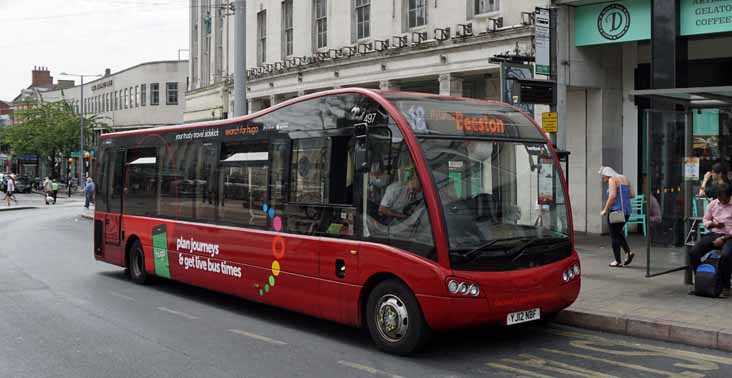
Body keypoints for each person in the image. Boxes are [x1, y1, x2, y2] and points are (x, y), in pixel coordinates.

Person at [688, 183, 732, 298]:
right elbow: (705, 220)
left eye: (725, 199)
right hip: (714, 232)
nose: (722, 201)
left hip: (729, 236)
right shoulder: (713, 204)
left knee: (726, 256)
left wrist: (723, 238)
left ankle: (726, 285)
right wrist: (713, 224)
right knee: (694, 252)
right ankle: (702, 281)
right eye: (720, 199)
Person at [599, 166, 635, 268]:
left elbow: (613, 196)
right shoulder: (625, 178)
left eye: (602, 176)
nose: (603, 179)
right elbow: (632, 194)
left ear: (606, 174)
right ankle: (628, 253)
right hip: (627, 212)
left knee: (614, 236)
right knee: (618, 233)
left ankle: (617, 261)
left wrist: (605, 210)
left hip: (616, 212)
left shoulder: (612, 179)